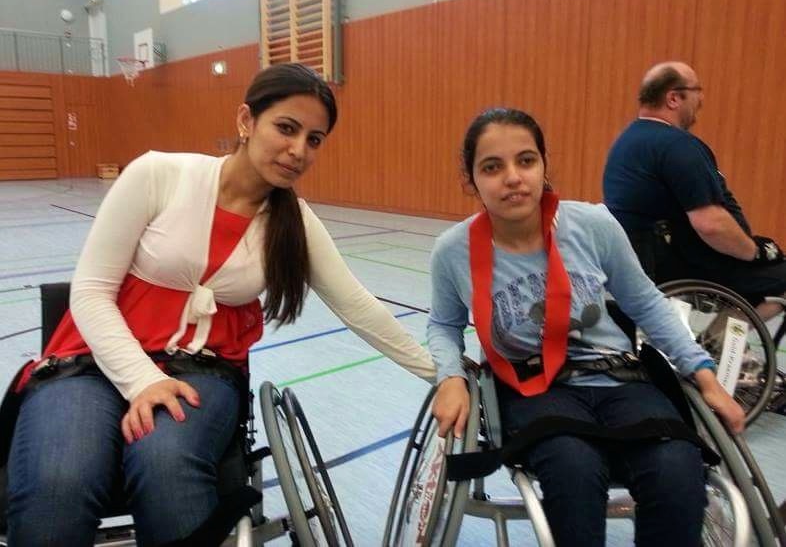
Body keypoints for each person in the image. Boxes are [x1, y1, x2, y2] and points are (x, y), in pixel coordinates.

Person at [5, 63, 435, 546]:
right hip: (88, 365)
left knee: (165, 462)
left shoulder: (295, 224)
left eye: (314, 139)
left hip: (200, 372)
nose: (298, 150)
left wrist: (443, 374)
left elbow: (359, 308)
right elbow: (89, 291)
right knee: (60, 480)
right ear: (246, 121)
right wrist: (143, 380)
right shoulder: (157, 174)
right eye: (286, 128)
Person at [428, 107, 744, 547]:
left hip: (620, 378)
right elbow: (443, 325)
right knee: (572, 469)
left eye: (525, 160)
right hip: (533, 388)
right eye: (492, 167)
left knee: (676, 468)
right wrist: (451, 378)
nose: (513, 177)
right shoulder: (452, 251)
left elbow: (647, 303)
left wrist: (704, 375)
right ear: (472, 179)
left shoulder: (592, 224)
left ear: (543, 164)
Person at [603, 61, 786, 320]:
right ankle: (718, 346)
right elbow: (711, 224)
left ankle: (719, 346)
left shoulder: (627, 141)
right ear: (674, 98)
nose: (701, 99)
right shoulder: (677, 146)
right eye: (696, 90)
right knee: (780, 278)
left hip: (637, 260)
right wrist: (755, 252)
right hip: (673, 265)